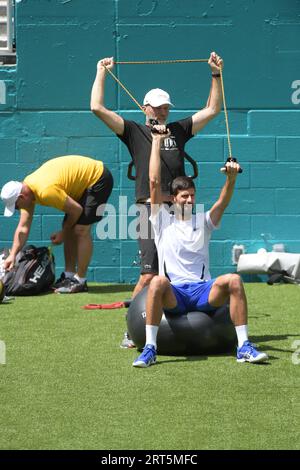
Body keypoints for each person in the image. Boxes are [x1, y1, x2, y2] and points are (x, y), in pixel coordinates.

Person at [91, 52, 224, 346]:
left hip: (179, 211)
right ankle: (133, 329)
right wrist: (101, 72)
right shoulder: (134, 131)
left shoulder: (178, 130)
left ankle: (171, 319)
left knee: (173, 274)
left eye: (166, 108)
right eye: (158, 108)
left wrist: (215, 74)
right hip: (149, 211)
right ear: (145, 107)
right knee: (149, 273)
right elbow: (96, 107)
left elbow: (213, 109)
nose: (163, 113)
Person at [133, 125, 269, 367]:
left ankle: (244, 346)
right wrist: (155, 141)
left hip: (203, 290)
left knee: (234, 280)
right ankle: (150, 348)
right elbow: (154, 182)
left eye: (192, 196)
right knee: (156, 281)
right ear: (174, 199)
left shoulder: (203, 221)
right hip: (175, 293)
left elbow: (222, 202)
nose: (189, 200)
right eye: (184, 196)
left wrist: (231, 178)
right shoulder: (162, 220)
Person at [0, 155, 113, 293]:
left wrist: (63, 233)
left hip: (98, 177)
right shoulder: (27, 191)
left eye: (16, 206)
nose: (18, 209)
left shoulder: (45, 191)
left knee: (80, 229)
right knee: (69, 226)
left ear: (21, 197)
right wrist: (13, 255)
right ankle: (69, 276)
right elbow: (23, 228)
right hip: (81, 184)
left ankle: (80, 281)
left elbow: (76, 210)